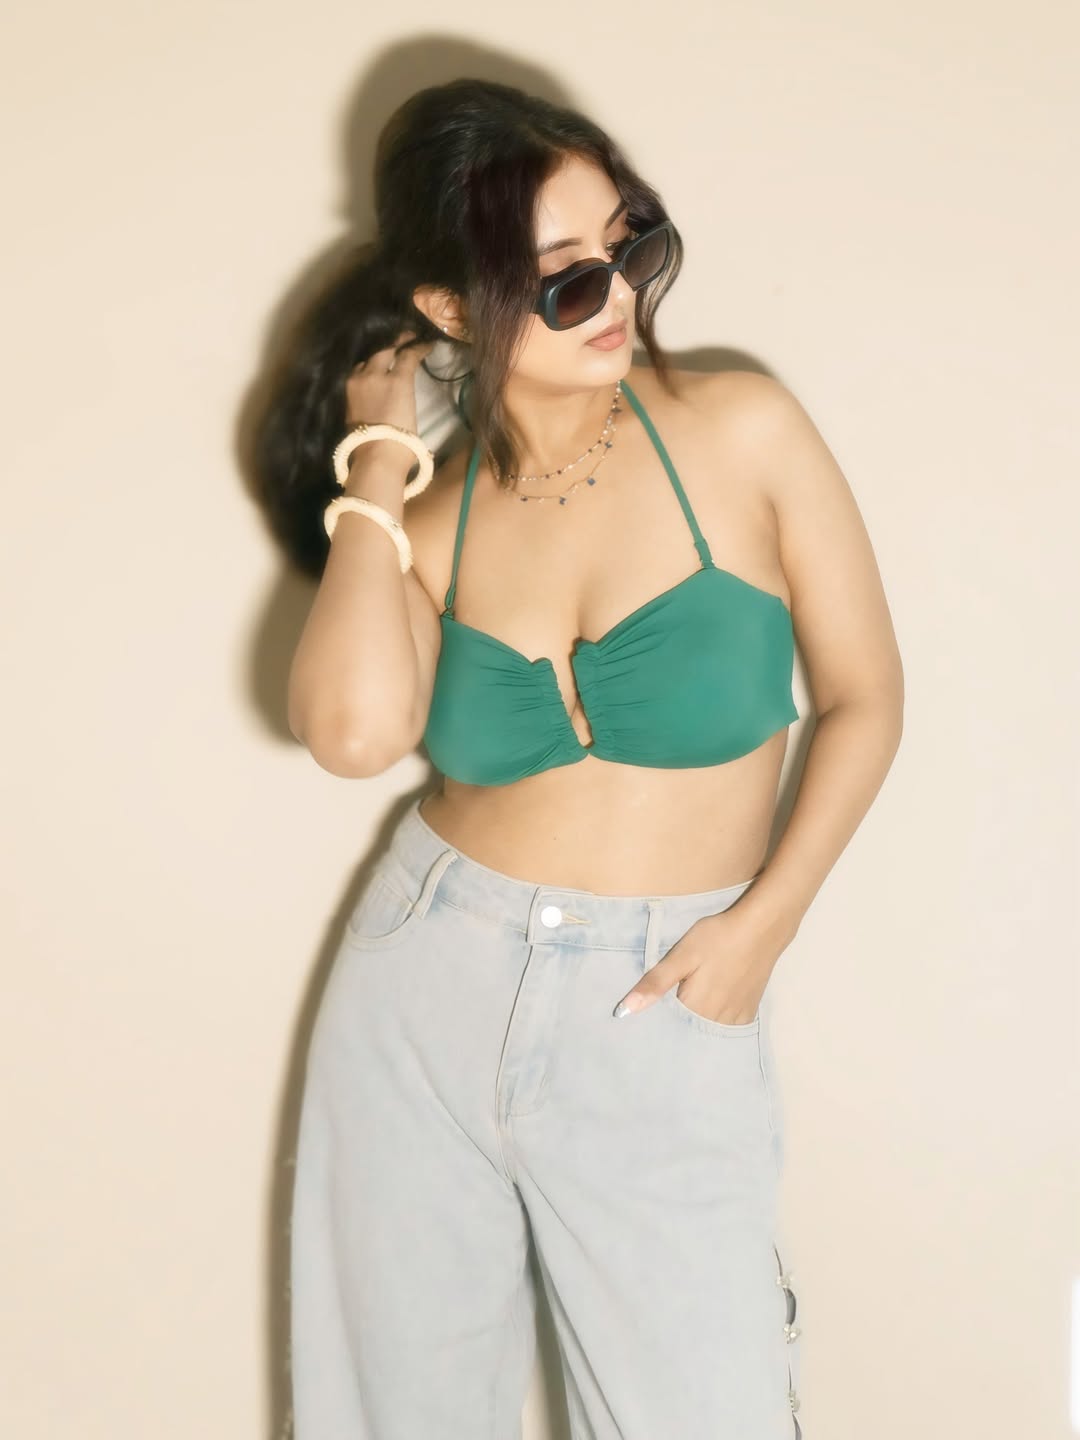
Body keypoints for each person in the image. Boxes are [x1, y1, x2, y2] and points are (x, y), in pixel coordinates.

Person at [260, 77, 904, 1440]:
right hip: (424, 988)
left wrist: (761, 929)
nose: (614, 295)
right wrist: (376, 468)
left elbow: (865, 699)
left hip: (659, 995)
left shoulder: (741, 429)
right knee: (395, 1413)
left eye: (627, 243)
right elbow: (352, 735)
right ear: (451, 308)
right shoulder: (429, 522)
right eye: (561, 278)